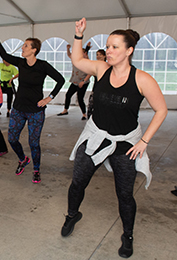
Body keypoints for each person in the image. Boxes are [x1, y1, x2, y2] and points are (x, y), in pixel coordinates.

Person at [61, 18, 167, 258]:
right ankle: (71, 215)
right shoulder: (101, 69)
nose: (108, 51)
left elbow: (161, 110)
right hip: (96, 136)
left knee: (125, 194)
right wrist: (78, 35)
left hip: (126, 143)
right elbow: (77, 60)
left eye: (114, 47)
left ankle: (127, 235)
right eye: (107, 46)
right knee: (77, 182)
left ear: (129, 51)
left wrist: (144, 141)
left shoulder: (142, 79)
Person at [0, 21, 65, 183]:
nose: (22, 48)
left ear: (34, 49)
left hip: (36, 111)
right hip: (18, 109)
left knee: (33, 143)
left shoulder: (43, 66)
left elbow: (60, 80)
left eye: (25, 46)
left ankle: (36, 169)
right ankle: (23, 159)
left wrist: (48, 98)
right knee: (12, 139)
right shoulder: (21, 63)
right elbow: (4, 55)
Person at [57, 43, 91, 120]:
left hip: (83, 82)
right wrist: (68, 49)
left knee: (80, 98)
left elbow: (90, 73)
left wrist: (83, 81)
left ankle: (84, 114)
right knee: (68, 95)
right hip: (75, 81)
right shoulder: (75, 59)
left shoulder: (87, 61)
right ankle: (65, 110)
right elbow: (69, 55)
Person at [87, 49, 106, 119]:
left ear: (104, 56)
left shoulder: (108, 66)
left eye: (100, 55)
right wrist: (84, 81)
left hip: (104, 90)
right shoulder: (95, 66)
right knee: (91, 106)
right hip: (96, 89)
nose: (98, 56)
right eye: (97, 55)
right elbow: (89, 70)